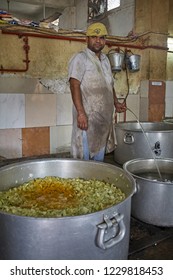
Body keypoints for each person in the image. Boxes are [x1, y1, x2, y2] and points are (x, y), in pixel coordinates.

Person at [68, 22, 126, 161]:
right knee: (84, 157)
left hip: (103, 119)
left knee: (99, 158)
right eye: (94, 37)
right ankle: (82, 180)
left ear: (105, 40)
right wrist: (81, 113)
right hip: (87, 117)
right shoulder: (80, 58)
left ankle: (95, 180)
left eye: (101, 37)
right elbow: (74, 85)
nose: (98, 41)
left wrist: (116, 102)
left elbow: (109, 84)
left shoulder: (106, 59)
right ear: (86, 39)